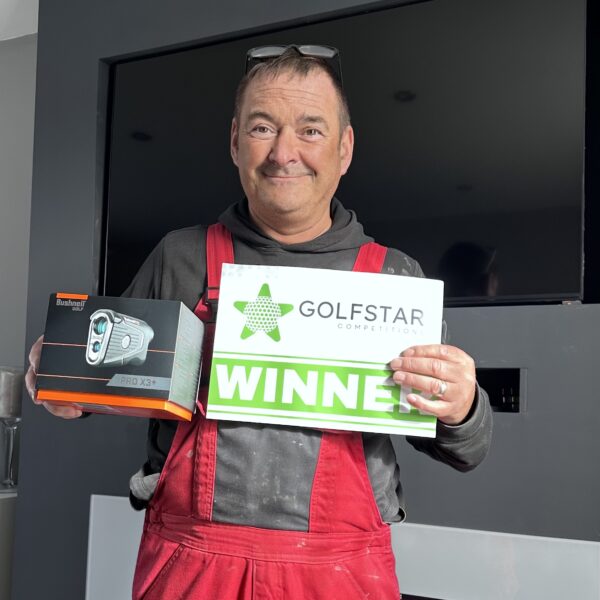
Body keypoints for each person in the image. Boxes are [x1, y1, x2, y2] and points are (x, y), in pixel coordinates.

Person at [26, 45, 492, 599]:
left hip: (338, 576)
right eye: (262, 128)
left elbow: (465, 448)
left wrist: (462, 407)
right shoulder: (180, 258)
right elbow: (106, 375)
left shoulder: (396, 278)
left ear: (345, 148)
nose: (283, 153)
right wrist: (62, 378)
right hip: (190, 567)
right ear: (235, 142)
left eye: (311, 130)